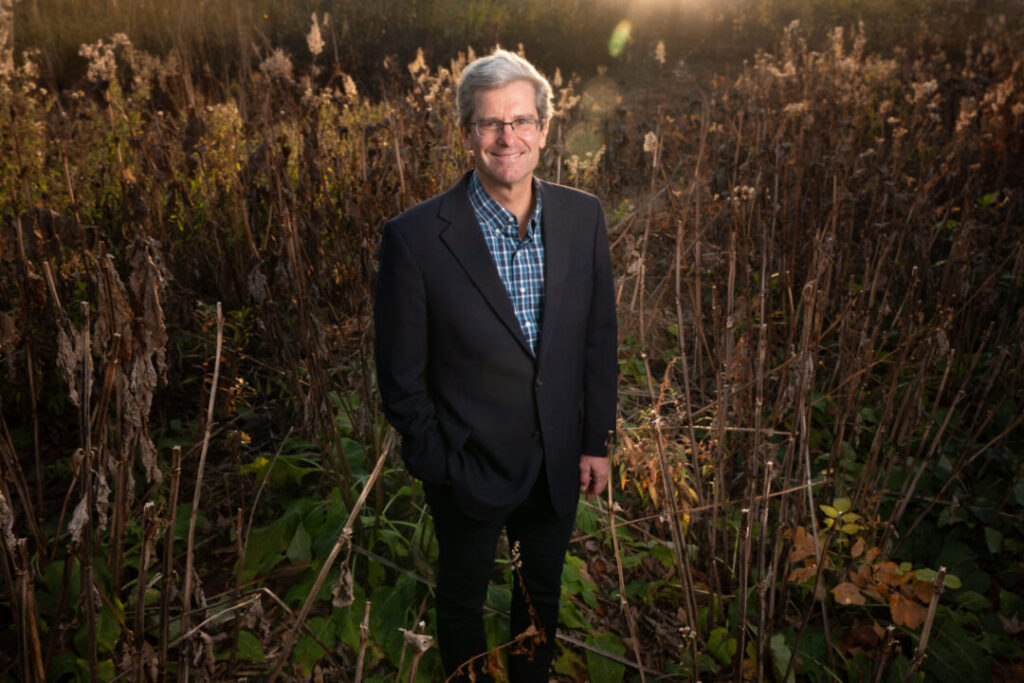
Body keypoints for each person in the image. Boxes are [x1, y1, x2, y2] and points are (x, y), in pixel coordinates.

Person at [373, 48, 618, 681]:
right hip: (467, 469)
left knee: (540, 599)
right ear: (467, 134)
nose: (506, 137)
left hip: (558, 460)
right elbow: (400, 375)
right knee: (461, 605)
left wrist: (594, 442)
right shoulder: (416, 238)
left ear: (543, 128)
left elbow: (598, 339)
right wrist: (439, 463)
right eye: (490, 123)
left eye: (521, 121)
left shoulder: (582, 216)